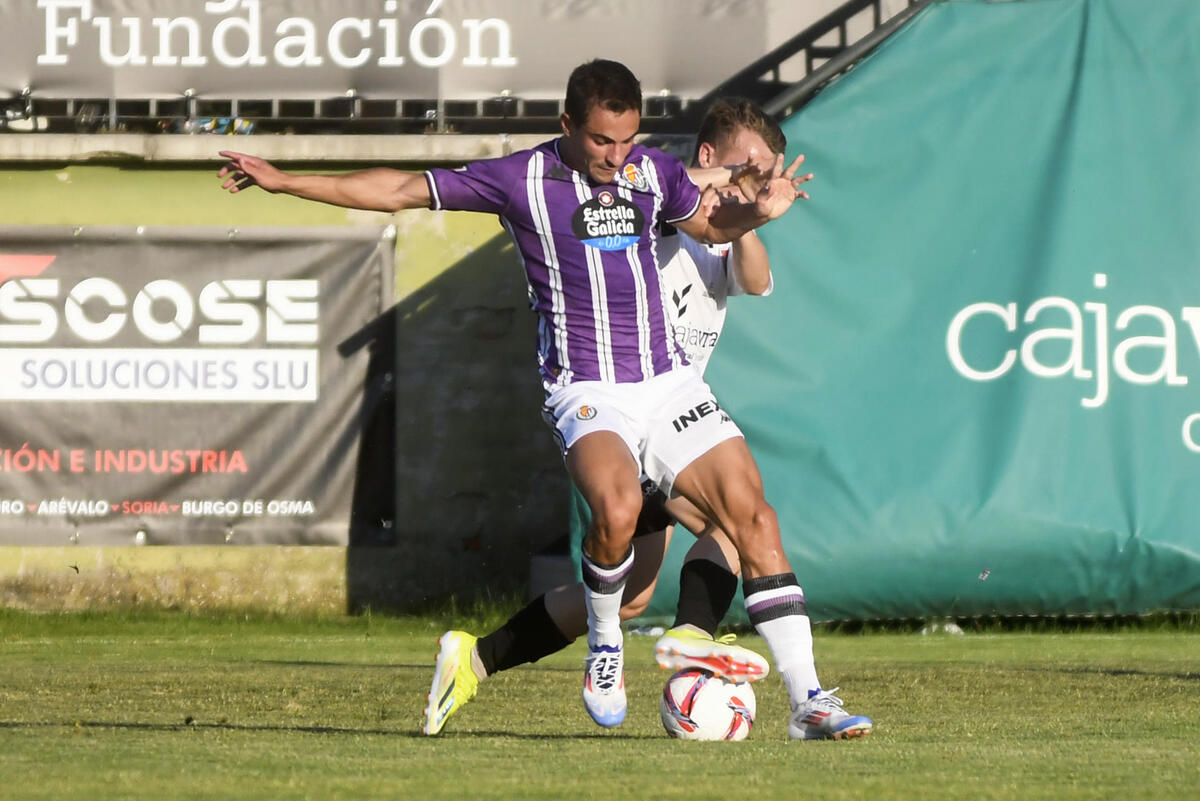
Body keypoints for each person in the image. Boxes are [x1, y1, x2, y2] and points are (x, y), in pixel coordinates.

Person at [217, 60, 870, 740]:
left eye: (627, 141)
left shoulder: (653, 173)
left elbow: (710, 227)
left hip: (668, 384)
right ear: (566, 126)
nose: (617, 158)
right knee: (617, 514)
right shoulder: (518, 178)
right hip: (587, 389)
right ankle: (608, 644)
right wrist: (286, 179)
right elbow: (399, 189)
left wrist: (753, 212)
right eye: (601, 143)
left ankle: (807, 699)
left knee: (752, 518)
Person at [422, 97, 787, 737]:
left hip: (672, 421)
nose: (758, 175)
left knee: (633, 595)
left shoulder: (715, 233)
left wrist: (747, 212)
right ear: (704, 158)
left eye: (769, 168)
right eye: (747, 164)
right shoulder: (647, 205)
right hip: (622, 411)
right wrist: (714, 193)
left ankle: (476, 658)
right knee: (733, 525)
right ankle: (692, 640)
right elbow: (646, 190)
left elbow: (755, 282)